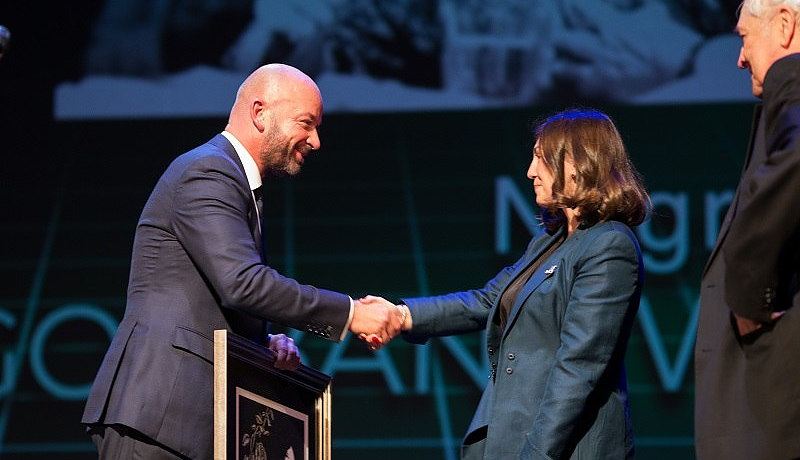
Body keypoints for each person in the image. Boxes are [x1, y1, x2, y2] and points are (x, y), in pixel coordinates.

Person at [81, 63, 401, 459]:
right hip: (160, 418)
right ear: (260, 113)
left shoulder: (232, 180)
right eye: (306, 123)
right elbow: (242, 284)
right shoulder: (209, 171)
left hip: (189, 423)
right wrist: (351, 313)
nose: (315, 140)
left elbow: (206, 296)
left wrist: (259, 341)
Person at [365, 108, 649, 459]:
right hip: (512, 436)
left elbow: (579, 366)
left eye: (541, 159)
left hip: (563, 448)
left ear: (577, 164)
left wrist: (536, 454)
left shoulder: (609, 245)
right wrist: (402, 315)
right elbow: (487, 301)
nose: (531, 172)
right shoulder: (552, 241)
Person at [695, 1, 800, 458]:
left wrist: (748, 297)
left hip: (773, 400)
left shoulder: (792, 84)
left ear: (784, 24)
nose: (739, 57)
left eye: (743, 36)